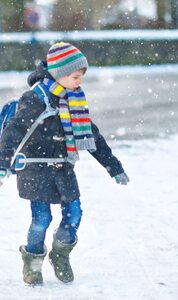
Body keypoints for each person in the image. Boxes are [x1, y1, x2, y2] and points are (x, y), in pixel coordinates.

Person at [0, 42, 129, 285]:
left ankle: (60, 254)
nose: (80, 81)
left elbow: (91, 135)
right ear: (59, 74)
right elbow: (14, 131)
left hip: (63, 167)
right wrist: (3, 163)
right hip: (35, 167)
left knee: (74, 214)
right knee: (42, 220)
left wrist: (113, 166)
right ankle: (33, 263)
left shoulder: (73, 100)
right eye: (75, 76)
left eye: (81, 76)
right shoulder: (35, 98)